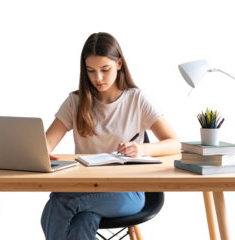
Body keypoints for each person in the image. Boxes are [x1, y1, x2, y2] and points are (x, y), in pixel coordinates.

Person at [38, 31, 182, 240]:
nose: (98, 78)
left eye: (105, 70)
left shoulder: (138, 99)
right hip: (84, 189)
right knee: (82, 221)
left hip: (127, 193)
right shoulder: (74, 101)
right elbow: (46, 144)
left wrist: (143, 148)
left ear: (119, 64)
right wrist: (42, 154)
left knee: (59, 202)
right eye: (91, 71)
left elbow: (176, 143)